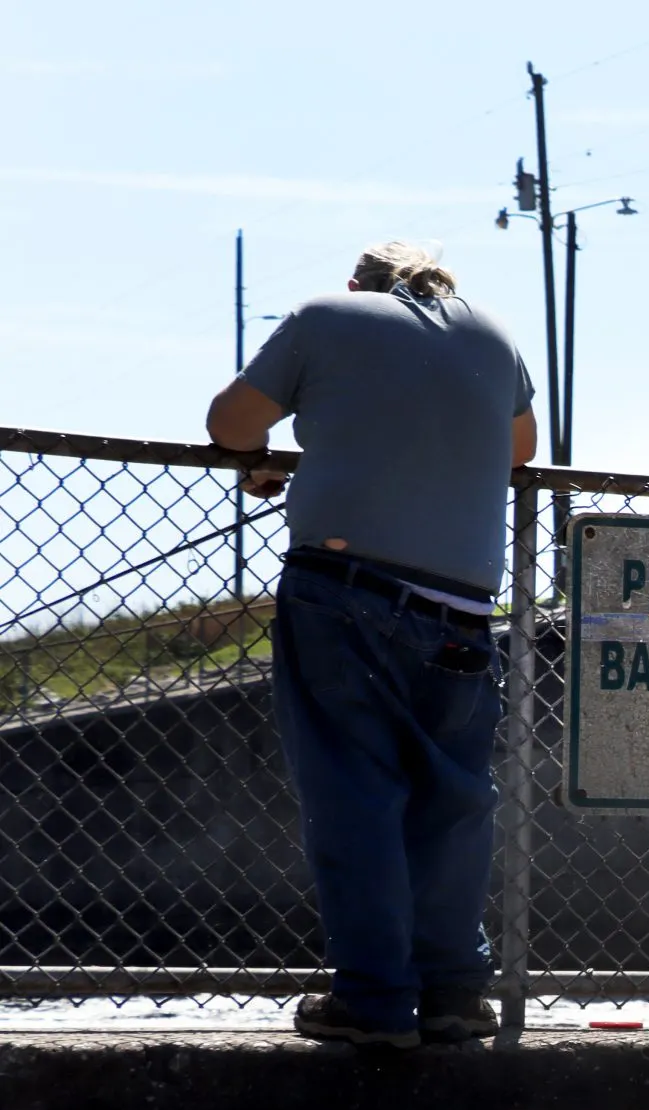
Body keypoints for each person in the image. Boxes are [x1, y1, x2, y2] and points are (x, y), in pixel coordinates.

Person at [206, 241, 537, 1048]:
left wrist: (267, 459)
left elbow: (230, 422)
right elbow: (519, 450)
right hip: (462, 605)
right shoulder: (494, 335)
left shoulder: (326, 314)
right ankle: (456, 992)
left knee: (356, 794)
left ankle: (374, 997)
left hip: (344, 592)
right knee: (453, 803)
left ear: (359, 283)